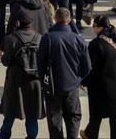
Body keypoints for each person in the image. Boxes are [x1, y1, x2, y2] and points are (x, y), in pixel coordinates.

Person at [38, 8, 90, 139]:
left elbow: (40, 64)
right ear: (69, 20)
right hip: (72, 86)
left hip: (53, 87)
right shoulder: (78, 39)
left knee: (55, 120)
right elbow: (87, 66)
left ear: (55, 18)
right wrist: (79, 79)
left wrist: (43, 81)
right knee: (73, 117)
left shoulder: (47, 38)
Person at [82, 15, 116, 139]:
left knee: (96, 113)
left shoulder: (96, 44)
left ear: (99, 27)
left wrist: (85, 82)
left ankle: (91, 134)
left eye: (94, 26)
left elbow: (91, 68)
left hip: (101, 84)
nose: (93, 29)